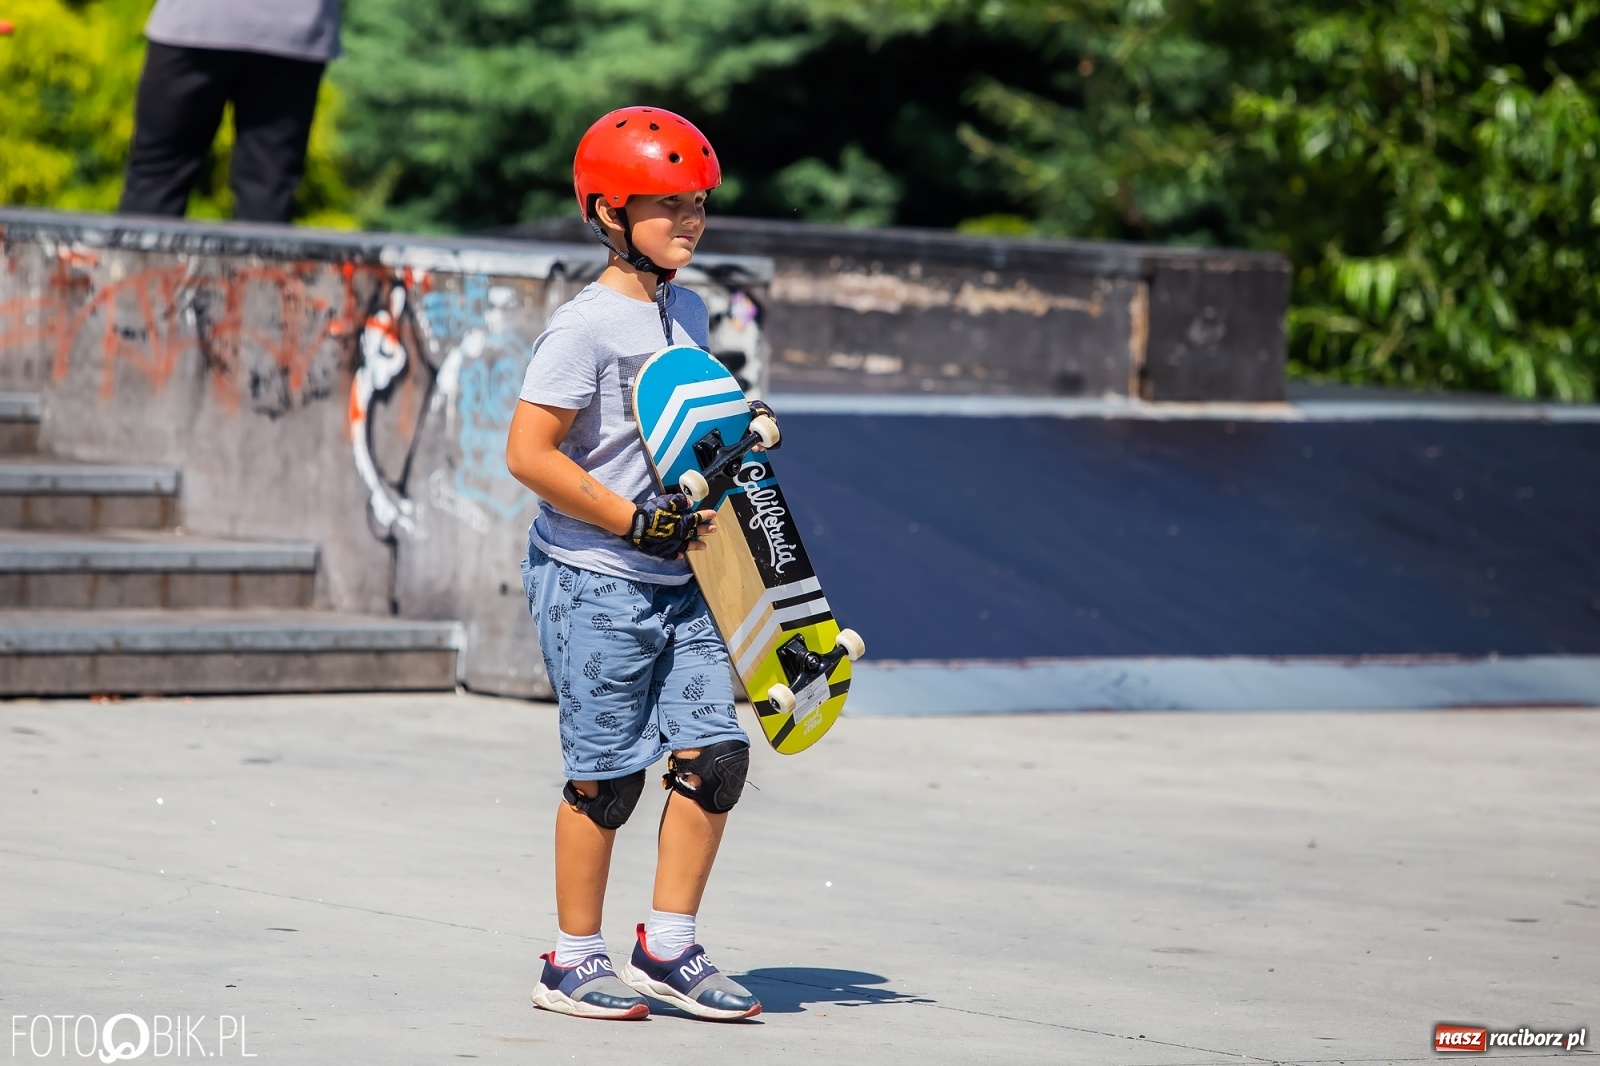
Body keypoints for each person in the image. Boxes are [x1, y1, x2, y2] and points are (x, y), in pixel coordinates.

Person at [505, 105, 775, 1021]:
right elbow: (530, 455)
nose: (690, 222)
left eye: (698, 204)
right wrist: (631, 522)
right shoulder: (583, 330)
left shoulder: (687, 310)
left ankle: (669, 945)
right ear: (611, 214)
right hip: (595, 578)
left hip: (689, 576)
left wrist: (743, 435)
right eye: (667, 206)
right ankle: (569, 961)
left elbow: (682, 432)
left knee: (717, 757)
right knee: (608, 779)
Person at [118, 0, 340, 223]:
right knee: (268, 188)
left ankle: (139, 258)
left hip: (196, 19)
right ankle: (260, 258)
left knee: (155, 180)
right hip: (295, 26)